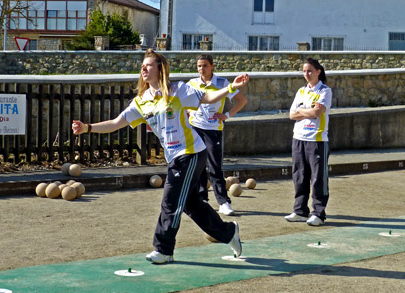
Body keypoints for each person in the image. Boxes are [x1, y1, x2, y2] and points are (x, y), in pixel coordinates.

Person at [72, 49, 248, 264]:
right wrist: (87, 128)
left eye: (149, 65)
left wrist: (230, 87)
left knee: (170, 201)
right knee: (191, 204)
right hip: (174, 156)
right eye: (142, 66)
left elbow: (208, 97)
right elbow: (117, 123)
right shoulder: (142, 101)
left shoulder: (178, 90)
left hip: (191, 153)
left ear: (160, 69)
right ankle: (229, 232)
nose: (144, 69)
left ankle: (164, 249)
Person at [188, 54, 248, 216]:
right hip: (195, 128)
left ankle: (223, 202)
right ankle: (202, 199)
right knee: (198, 165)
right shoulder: (192, 83)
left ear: (212, 66)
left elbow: (242, 100)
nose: (202, 69)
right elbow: (185, 102)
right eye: (199, 66)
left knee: (214, 166)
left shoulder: (222, 83)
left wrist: (227, 115)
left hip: (213, 130)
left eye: (205, 65)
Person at [285, 58, 332, 226]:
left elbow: (316, 113)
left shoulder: (325, 91)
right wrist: (308, 110)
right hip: (298, 138)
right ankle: (300, 211)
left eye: (310, 71)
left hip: (317, 140)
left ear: (318, 71)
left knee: (318, 177)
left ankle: (318, 213)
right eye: (304, 71)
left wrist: (302, 110)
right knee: (299, 176)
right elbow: (291, 115)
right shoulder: (301, 91)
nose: (306, 74)